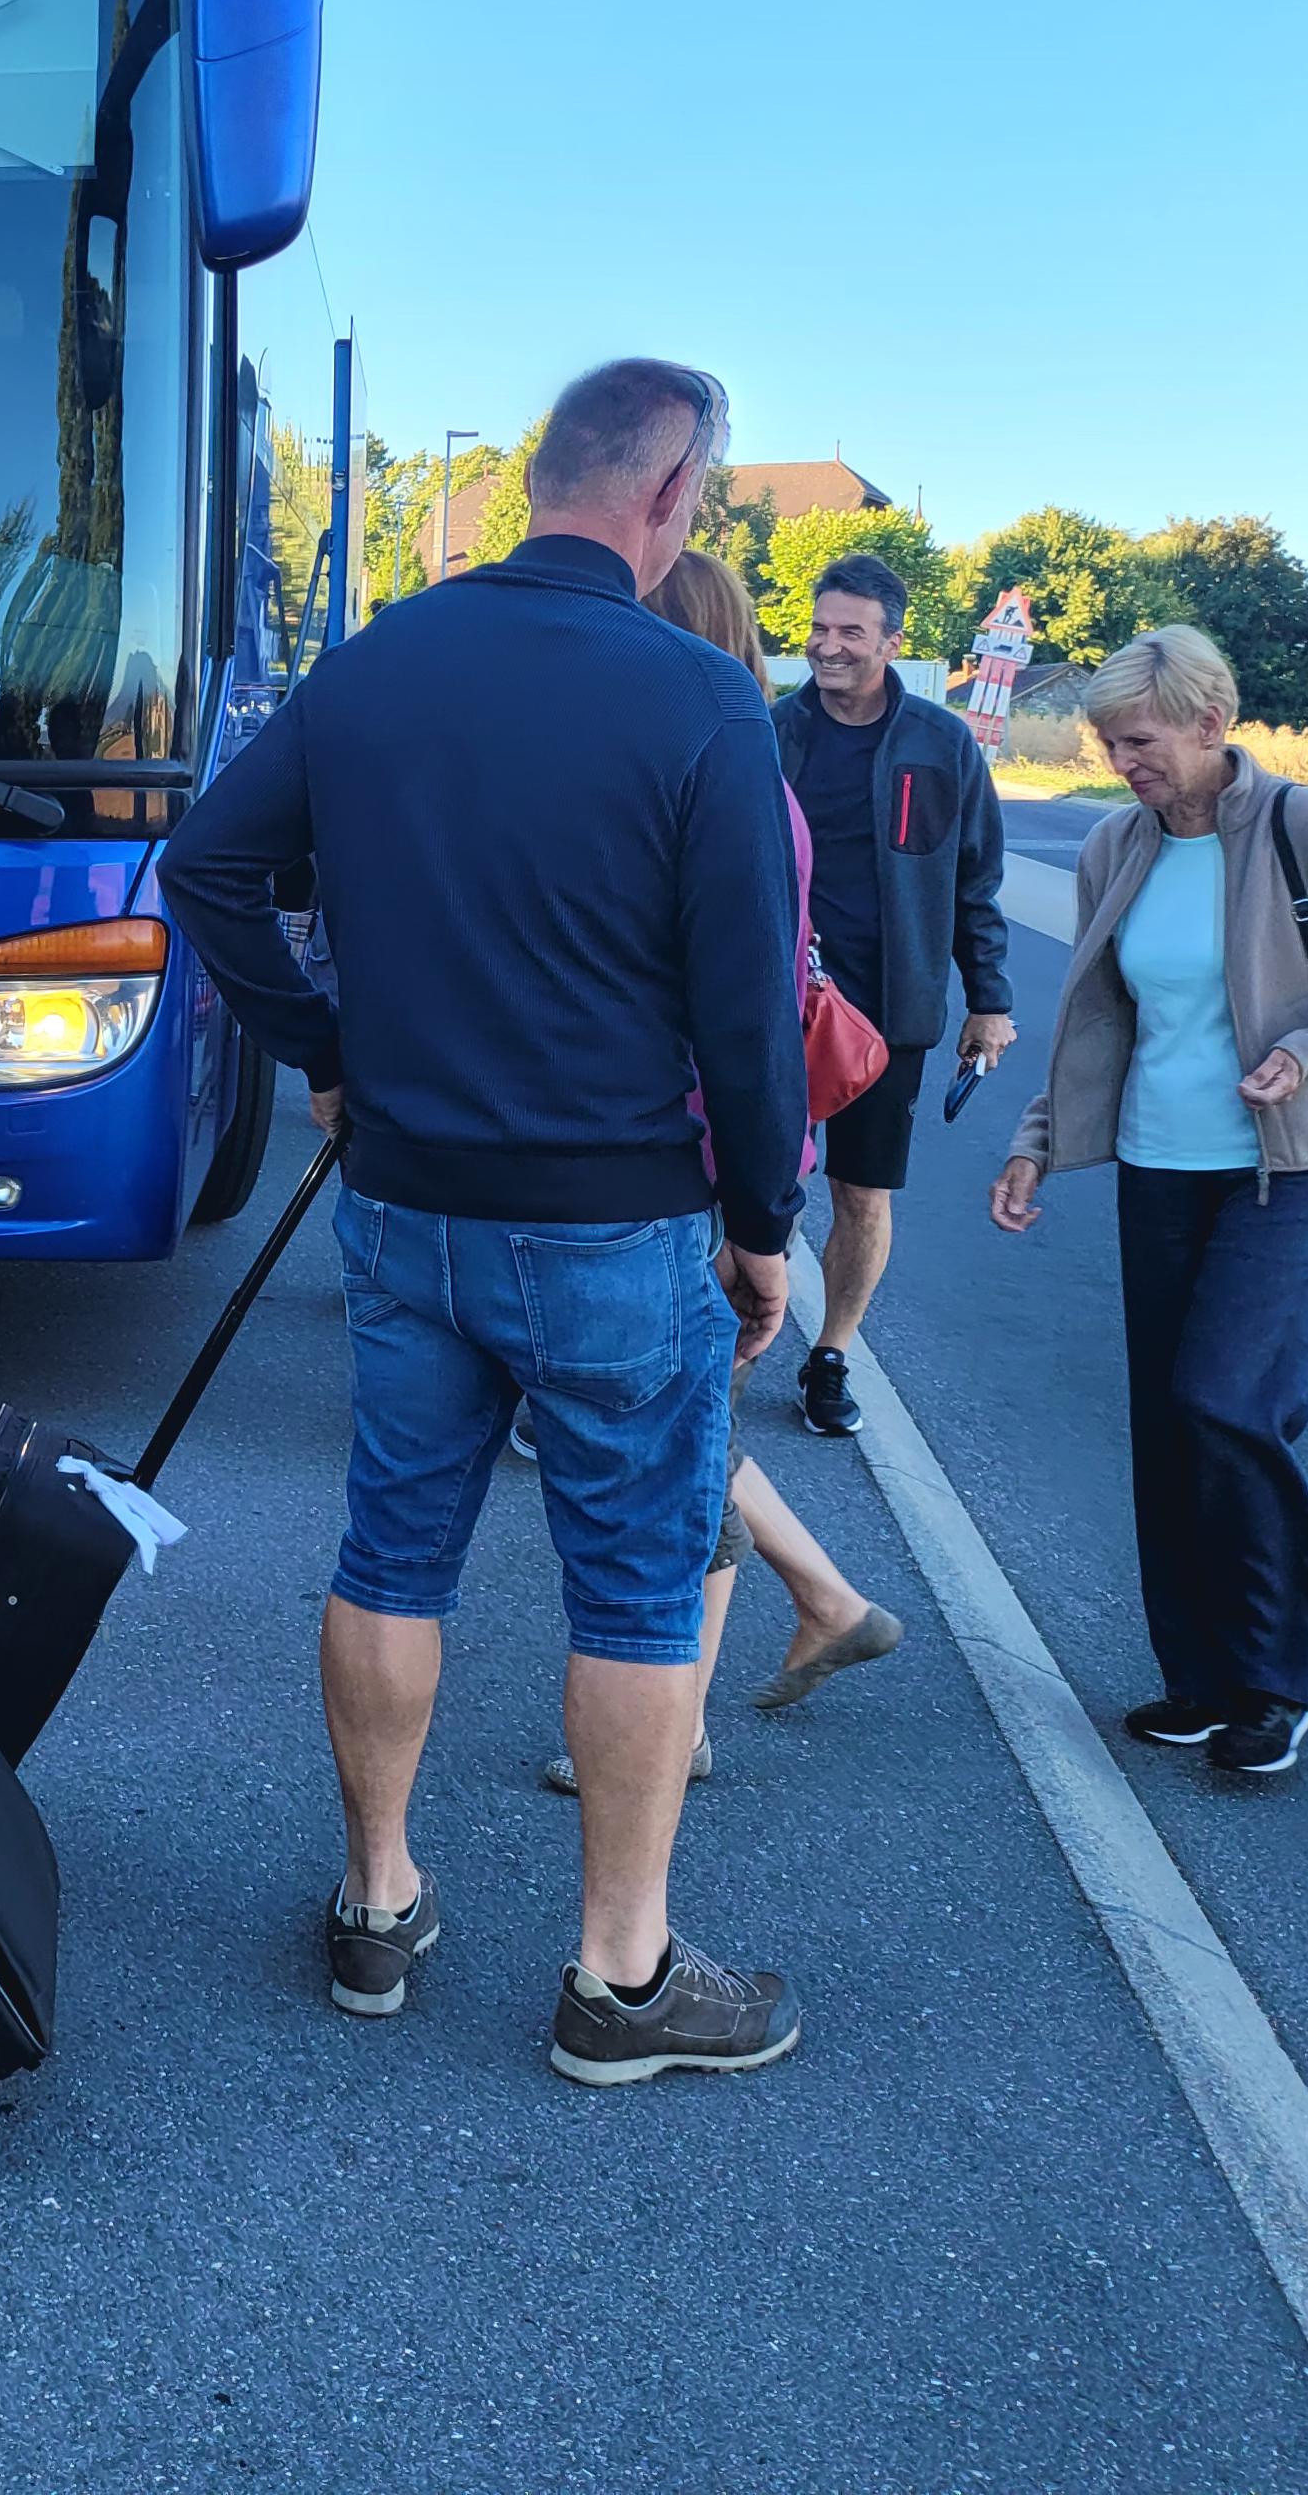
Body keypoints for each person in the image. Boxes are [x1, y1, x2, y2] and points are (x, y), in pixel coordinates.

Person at [164, 358, 807, 2085]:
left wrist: (326, 1044)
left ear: (542, 478)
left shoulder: (376, 663)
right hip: (610, 1215)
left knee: (392, 1548)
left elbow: (206, 865)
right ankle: (620, 1970)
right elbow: (747, 1014)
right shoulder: (698, 702)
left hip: (404, 1202)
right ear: (670, 493)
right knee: (639, 1588)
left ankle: (376, 1899)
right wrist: (764, 1218)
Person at [988, 628, 1308, 1780]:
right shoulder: (1117, 845)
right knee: (1167, 1422)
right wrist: (1037, 1142)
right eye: (1106, 741)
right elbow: (1102, 1018)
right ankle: (1196, 1677)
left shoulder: (1305, 827)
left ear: (1209, 723)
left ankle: (1279, 1676)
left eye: (1137, 740)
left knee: (1228, 1403)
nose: (1118, 760)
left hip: (1286, 1167)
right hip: (1159, 1164)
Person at [536, 551, 900, 1793]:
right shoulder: (739, 771)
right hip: (702, 1146)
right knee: (679, 1426)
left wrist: (755, 1209)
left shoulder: (720, 781)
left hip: (681, 1152)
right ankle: (820, 1605)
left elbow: (727, 1004)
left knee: (675, 1435)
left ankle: (686, 1712)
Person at [773, 549, 1015, 1439]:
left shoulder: (939, 744)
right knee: (742, 1181)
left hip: (889, 1010)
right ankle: (723, 1349)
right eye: (820, 628)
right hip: (779, 1002)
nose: (828, 647)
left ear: (892, 642)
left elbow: (974, 881)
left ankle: (830, 1355)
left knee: (862, 1193)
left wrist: (989, 1002)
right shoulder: (771, 731)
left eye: (850, 632)